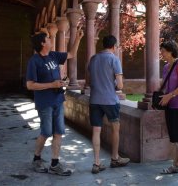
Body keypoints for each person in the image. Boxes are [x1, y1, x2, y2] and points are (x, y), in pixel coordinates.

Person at [26, 24, 84, 176]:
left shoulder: (53, 55)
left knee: (58, 132)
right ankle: (36, 159)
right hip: (45, 103)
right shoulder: (34, 61)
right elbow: (30, 85)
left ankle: (54, 164)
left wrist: (77, 38)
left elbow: (71, 54)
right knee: (46, 132)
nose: (51, 39)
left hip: (58, 100)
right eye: (48, 38)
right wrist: (51, 84)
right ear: (42, 44)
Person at [88, 35, 130, 174]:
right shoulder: (114, 59)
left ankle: (96, 163)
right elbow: (120, 85)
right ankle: (115, 158)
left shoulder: (93, 59)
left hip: (94, 100)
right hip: (110, 100)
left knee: (96, 131)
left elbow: (88, 81)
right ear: (113, 46)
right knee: (115, 129)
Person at [159, 41, 178, 178]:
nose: (162, 54)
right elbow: (165, 85)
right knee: (173, 137)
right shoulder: (166, 67)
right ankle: (176, 165)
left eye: (163, 51)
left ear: (171, 51)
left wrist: (170, 95)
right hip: (169, 105)